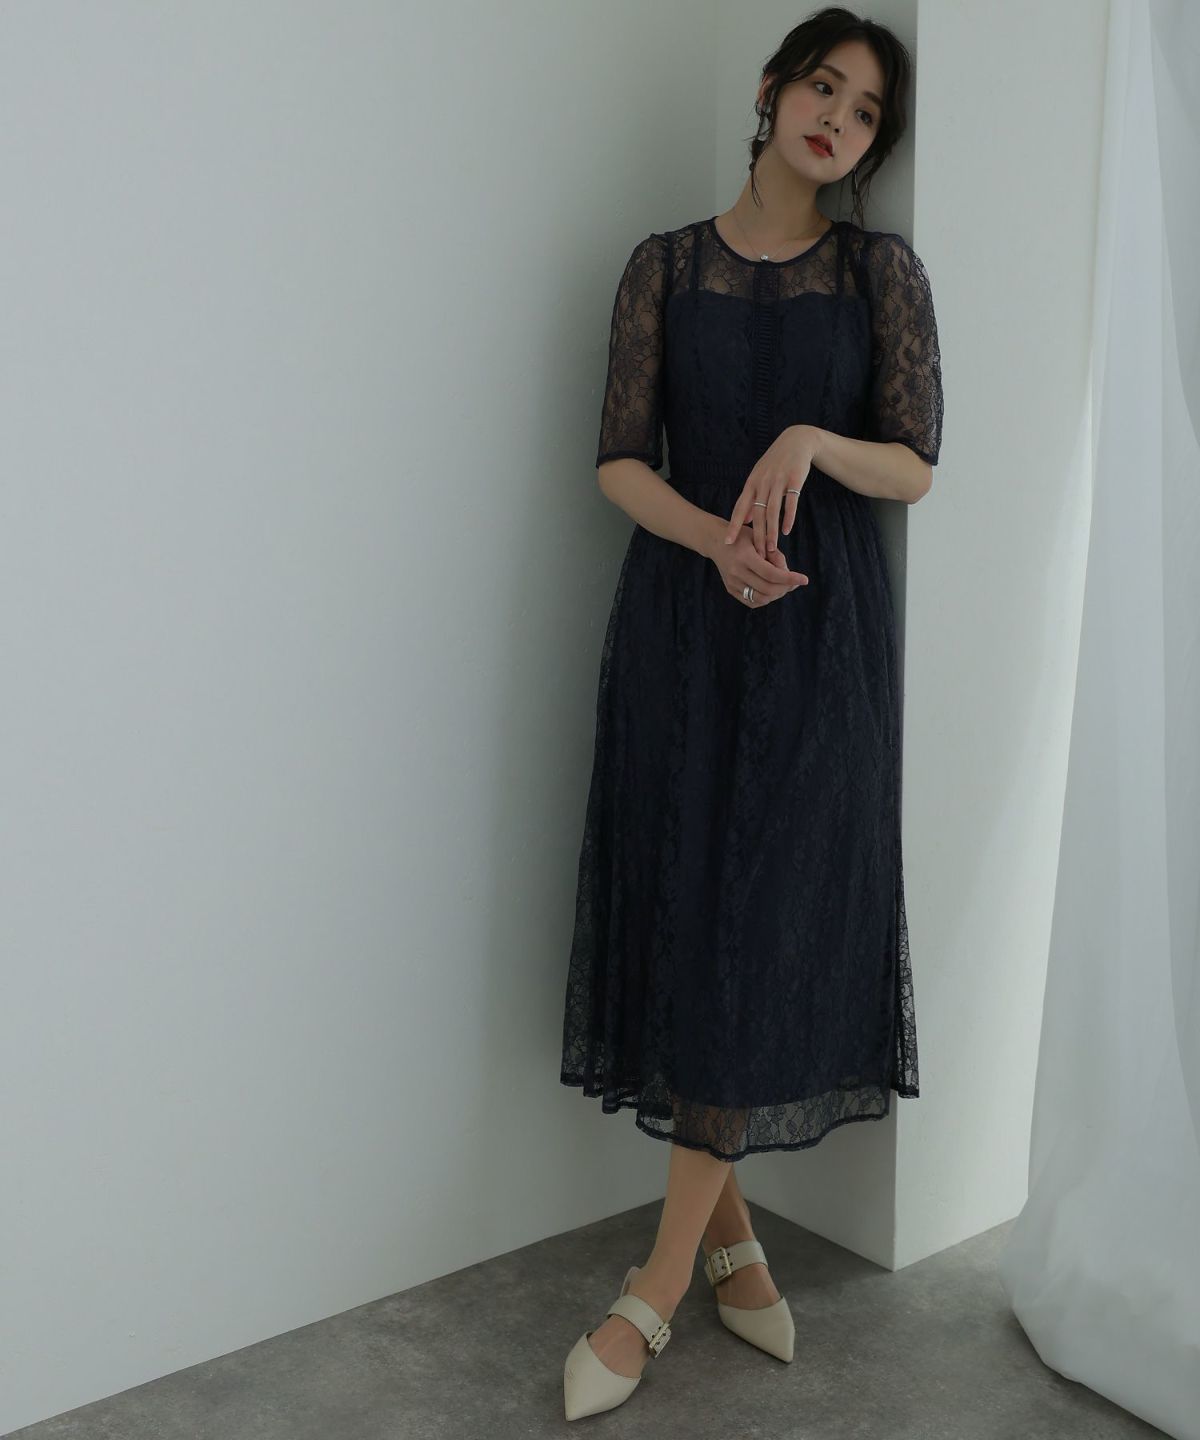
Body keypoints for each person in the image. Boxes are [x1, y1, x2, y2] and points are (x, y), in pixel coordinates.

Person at [559, 7, 944, 1421]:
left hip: (821, 642)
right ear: (774, 91)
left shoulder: (876, 272)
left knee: (760, 926)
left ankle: (653, 1287)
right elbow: (618, 460)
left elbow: (915, 464)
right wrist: (714, 538)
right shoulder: (662, 267)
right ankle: (729, 1240)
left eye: (867, 109)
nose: (838, 117)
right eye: (823, 86)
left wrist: (808, 440)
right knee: (690, 917)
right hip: (682, 624)